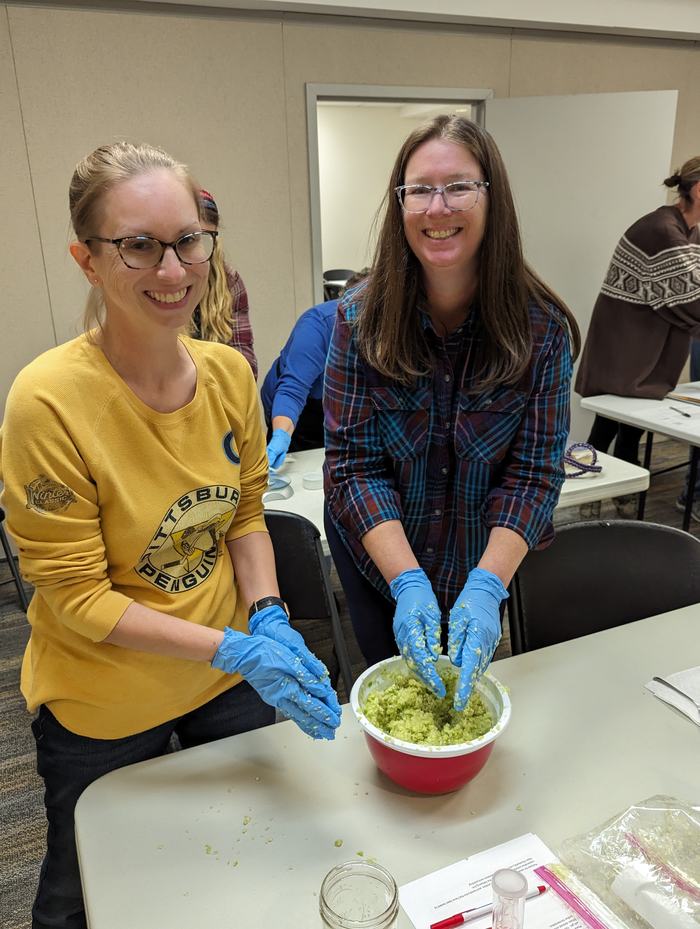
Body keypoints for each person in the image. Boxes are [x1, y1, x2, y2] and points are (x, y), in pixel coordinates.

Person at [0, 141, 340, 929]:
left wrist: (267, 615)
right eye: (139, 245)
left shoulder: (226, 375)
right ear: (88, 261)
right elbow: (77, 596)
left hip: (222, 678)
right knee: (83, 887)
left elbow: (246, 511)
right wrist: (232, 647)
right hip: (102, 700)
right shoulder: (47, 401)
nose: (173, 269)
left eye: (188, 238)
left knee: (252, 853)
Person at [323, 116, 579, 711]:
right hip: (382, 565)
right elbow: (354, 468)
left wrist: (488, 586)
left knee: (464, 699)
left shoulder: (541, 331)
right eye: (420, 189)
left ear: (493, 198)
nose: (438, 207)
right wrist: (407, 581)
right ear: (400, 202)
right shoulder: (359, 322)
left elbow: (535, 474)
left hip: (482, 562)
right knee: (393, 696)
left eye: (459, 186)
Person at [576, 157, 700, 518]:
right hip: (627, 342)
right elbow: (692, 296)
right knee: (609, 419)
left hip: (649, 342)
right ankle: (588, 490)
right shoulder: (662, 229)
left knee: (632, 422)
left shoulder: (688, 229)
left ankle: (619, 487)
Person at [261, 269, 368, 470]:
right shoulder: (319, 324)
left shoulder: (384, 328)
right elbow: (292, 391)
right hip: (301, 405)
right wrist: (281, 437)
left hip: (340, 403)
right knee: (300, 469)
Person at [192, 187, 258, 378]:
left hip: (215, 390)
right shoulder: (164, 277)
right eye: (189, 239)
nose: (198, 252)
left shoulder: (229, 281)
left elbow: (245, 366)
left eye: (204, 239)